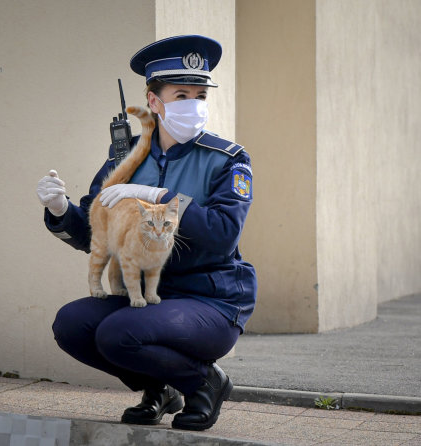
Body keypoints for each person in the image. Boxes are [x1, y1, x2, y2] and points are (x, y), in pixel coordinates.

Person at [36, 35, 257, 431]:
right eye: (181, 94)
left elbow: (223, 234)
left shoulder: (228, 159)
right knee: (71, 324)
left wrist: (160, 195)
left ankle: (205, 382)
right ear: (154, 102)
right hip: (150, 295)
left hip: (210, 298)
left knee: (120, 333)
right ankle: (159, 389)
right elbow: (97, 236)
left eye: (200, 95)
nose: (193, 104)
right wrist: (61, 210)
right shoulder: (124, 158)